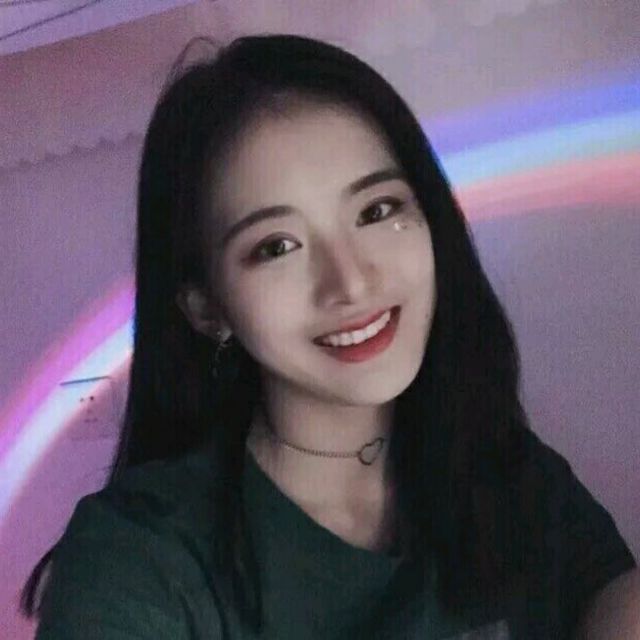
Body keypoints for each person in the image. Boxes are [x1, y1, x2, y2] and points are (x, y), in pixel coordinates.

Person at [21, 34, 636, 639]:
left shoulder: (512, 476)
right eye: (276, 247)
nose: (351, 282)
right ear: (207, 308)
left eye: (377, 210)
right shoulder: (139, 561)